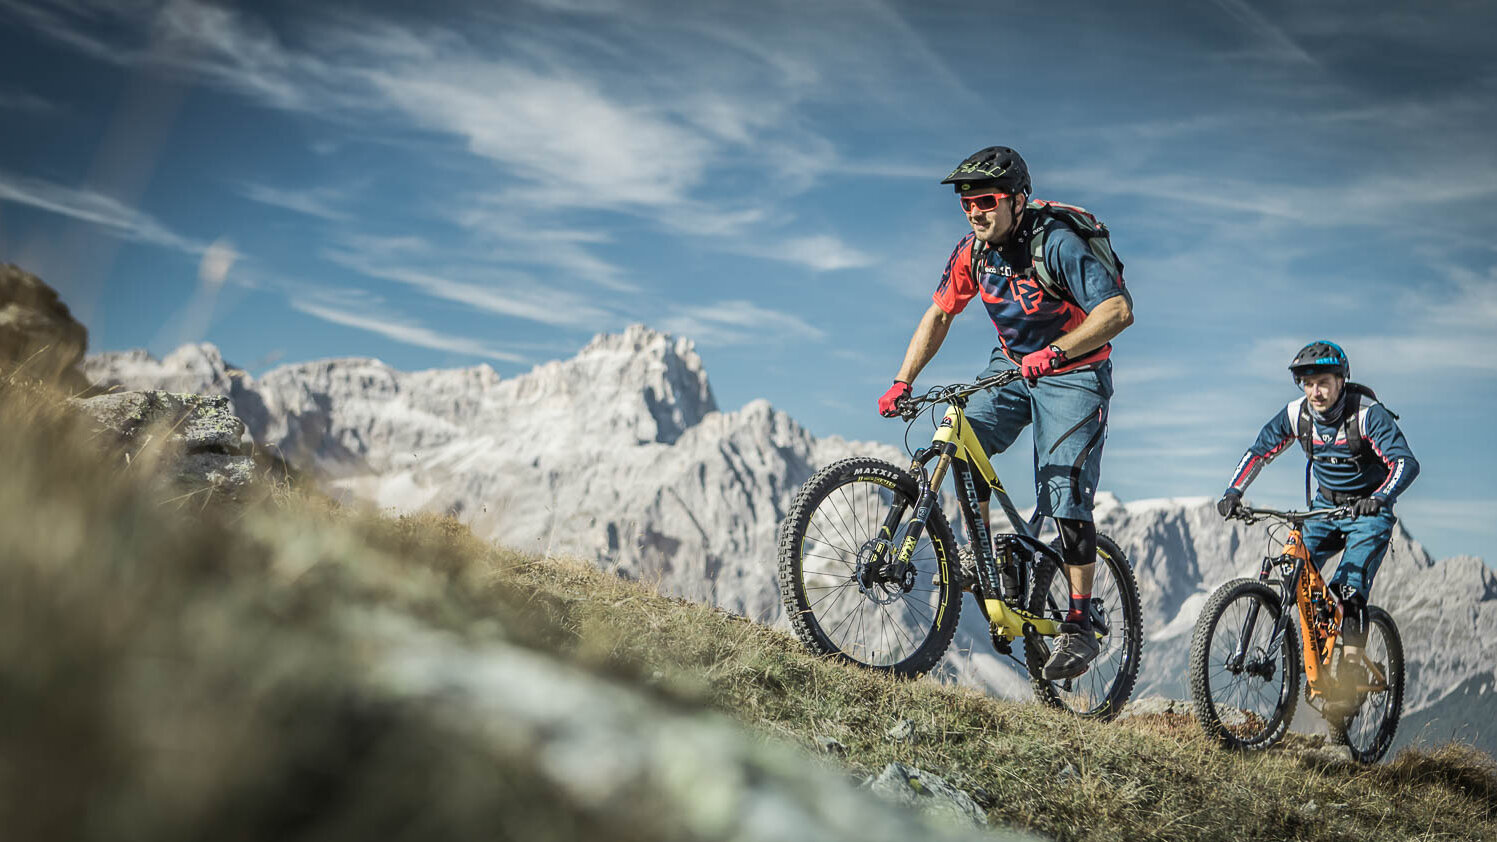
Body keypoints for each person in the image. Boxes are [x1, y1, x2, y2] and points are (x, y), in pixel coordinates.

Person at [877, 146, 1134, 680]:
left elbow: (1117, 311)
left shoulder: (1056, 243)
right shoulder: (973, 253)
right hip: (1014, 366)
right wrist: (904, 380)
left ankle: (1081, 624)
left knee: (1063, 491)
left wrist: (1059, 351)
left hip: (1075, 370)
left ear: (1017, 199)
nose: (975, 212)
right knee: (960, 433)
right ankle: (987, 557)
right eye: (967, 204)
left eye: (986, 201)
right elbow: (941, 313)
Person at [1216, 340, 1419, 715]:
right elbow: (1260, 450)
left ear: (1341, 380)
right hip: (1325, 508)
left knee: (1347, 590)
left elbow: (1405, 463)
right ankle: (1314, 647)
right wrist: (1234, 491)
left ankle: (1351, 669)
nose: (1315, 392)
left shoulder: (1366, 415)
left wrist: (1381, 496)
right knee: (1293, 566)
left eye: (1323, 382)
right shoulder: (1298, 415)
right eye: (1307, 384)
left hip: (1369, 511)